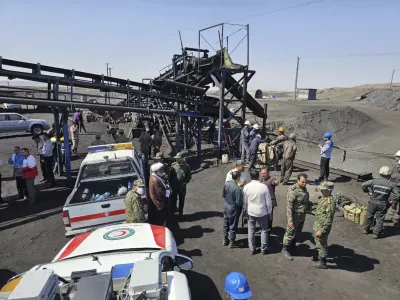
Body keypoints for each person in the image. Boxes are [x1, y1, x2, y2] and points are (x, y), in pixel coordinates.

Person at [362, 166, 399, 238]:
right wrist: (392, 201)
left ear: (380, 174)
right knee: (380, 219)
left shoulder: (374, 181)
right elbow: (397, 195)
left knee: (369, 216)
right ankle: (376, 234)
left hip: (373, 202)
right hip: (383, 204)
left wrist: (367, 192)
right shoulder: (391, 184)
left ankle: (365, 230)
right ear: (389, 175)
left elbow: (363, 185)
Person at [243, 170, 272, 255]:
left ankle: (252, 248)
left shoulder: (246, 187)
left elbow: (244, 201)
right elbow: (268, 202)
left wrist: (245, 211)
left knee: (251, 230)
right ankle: (263, 249)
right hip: (262, 212)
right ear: (258, 176)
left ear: (250, 176)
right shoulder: (263, 187)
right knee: (264, 230)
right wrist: (269, 212)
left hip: (251, 212)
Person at [282, 173, 310, 261]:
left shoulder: (304, 189)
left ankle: (292, 247)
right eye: (302, 182)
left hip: (301, 216)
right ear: (298, 180)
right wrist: (290, 220)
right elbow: (289, 207)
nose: (304, 184)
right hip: (294, 217)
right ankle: (285, 249)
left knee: (297, 232)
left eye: (306, 182)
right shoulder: (293, 190)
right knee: (290, 233)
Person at [312, 181, 336, 269]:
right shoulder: (323, 197)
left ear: (329, 191)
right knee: (318, 242)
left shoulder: (330, 202)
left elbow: (329, 219)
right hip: (318, 224)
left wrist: (322, 230)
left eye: (323, 190)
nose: (321, 191)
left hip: (323, 227)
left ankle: (323, 262)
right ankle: (318, 256)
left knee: (322, 243)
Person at [223, 171, 243, 248]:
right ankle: (232, 242)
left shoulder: (226, 184)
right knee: (233, 225)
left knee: (226, 223)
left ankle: (225, 240)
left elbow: (223, 195)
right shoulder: (237, 188)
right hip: (233, 208)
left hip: (226, 206)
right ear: (238, 178)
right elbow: (238, 202)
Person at [169, 152, 192, 218]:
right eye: (176, 158)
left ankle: (180, 213)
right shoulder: (173, 165)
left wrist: (185, 182)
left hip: (182, 187)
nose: (176, 160)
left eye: (178, 158)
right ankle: (173, 212)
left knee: (181, 200)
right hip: (174, 186)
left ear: (182, 159)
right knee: (173, 200)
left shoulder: (186, 166)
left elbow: (189, 176)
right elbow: (170, 176)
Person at [390, 150, 400, 226]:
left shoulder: (397, 166)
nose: (395, 158)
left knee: (395, 199)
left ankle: (395, 215)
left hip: (397, 186)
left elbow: (395, 177)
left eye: (396, 156)